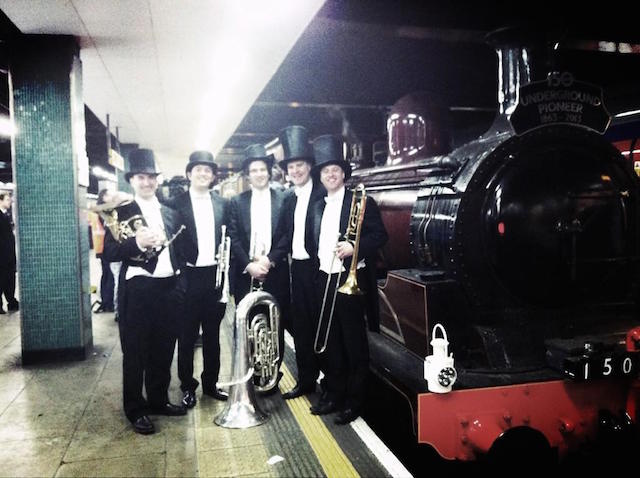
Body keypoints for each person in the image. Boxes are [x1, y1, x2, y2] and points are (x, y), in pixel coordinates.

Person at [103, 148, 186, 435]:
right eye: (141, 177)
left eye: (151, 177)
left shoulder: (169, 212)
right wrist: (137, 244)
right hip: (138, 289)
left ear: (157, 180)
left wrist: (180, 282)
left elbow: (181, 249)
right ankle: (135, 409)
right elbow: (110, 254)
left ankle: (159, 400)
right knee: (136, 352)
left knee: (164, 350)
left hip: (169, 288)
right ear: (132, 180)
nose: (147, 182)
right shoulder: (121, 212)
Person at [308, 135, 388, 425]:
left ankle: (354, 402)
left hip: (348, 280)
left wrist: (355, 248)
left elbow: (380, 236)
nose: (331, 174)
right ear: (320, 175)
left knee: (355, 345)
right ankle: (333, 395)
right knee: (331, 344)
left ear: (343, 174)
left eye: (336, 170)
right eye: (325, 170)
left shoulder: (362, 201)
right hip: (324, 278)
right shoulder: (318, 205)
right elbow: (311, 240)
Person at [271, 125, 326, 400]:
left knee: (323, 326)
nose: (295, 171)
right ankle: (306, 380)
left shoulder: (322, 195)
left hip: (320, 269)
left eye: (300, 165)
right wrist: (269, 259)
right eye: (291, 167)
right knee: (302, 327)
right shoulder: (288, 199)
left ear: (310, 166)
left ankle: (329, 382)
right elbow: (283, 236)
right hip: (298, 270)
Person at [228, 144, 290, 387]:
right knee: (248, 325)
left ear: (269, 171)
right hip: (246, 274)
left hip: (275, 271)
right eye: (254, 170)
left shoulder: (283, 199)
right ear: (248, 174)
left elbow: (287, 234)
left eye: (263, 169)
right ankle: (251, 373)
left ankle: (273, 374)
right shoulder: (237, 202)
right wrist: (249, 265)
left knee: (275, 324)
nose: (259, 174)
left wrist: (268, 259)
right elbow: (233, 236)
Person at [172, 151, 230, 408]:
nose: (203, 174)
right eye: (198, 170)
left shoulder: (221, 203)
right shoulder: (175, 204)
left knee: (213, 336)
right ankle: (187, 386)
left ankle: (211, 383)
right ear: (189, 174)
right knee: (186, 337)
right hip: (188, 276)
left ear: (213, 176)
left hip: (214, 276)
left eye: (208, 171)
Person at [95, 189, 115, 313]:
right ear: (103, 197)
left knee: (106, 275)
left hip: (101, 247)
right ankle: (108, 303)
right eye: (109, 195)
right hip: (105, 247)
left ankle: (106, 301)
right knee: (109, 276)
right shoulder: (103, 211)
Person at [0, 191, 18, 313]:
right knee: (1, 279)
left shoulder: (6, 214)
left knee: (10, 279)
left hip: (9, 255)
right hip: (2, 255)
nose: (10, 201)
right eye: (7, 199)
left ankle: (11, 301)